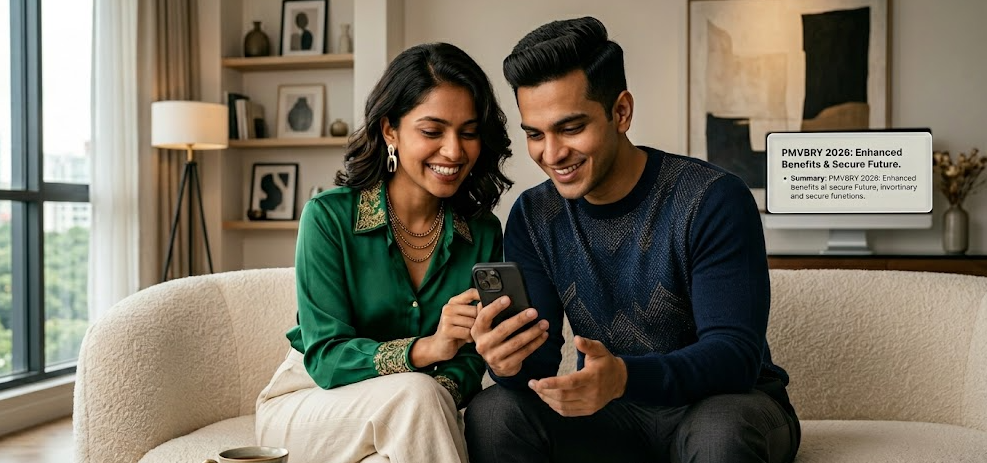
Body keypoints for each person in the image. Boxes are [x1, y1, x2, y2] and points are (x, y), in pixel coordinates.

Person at [464, 17, 800, 463]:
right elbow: (538, 366)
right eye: (535, 134)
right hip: (614, 416)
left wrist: (622, 377)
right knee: (494, 412)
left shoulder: (712, 199)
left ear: (621, 112)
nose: (552, 153)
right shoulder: (533, 215)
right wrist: (505, 362)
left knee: (721, 431)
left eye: (570, 128)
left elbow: (734, 358)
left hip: (727, 405)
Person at [255, 42, 513, 463]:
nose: (454, 151)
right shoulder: (328, 218)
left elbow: (468, 363)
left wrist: (440, 389)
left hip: (415, 408)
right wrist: (426, 350)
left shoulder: (482, 232)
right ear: (389, 129)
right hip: (311, 400)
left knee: (417, 402)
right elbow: (326, 357)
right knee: (416, 396)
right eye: (433, 131)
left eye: (468, 132)